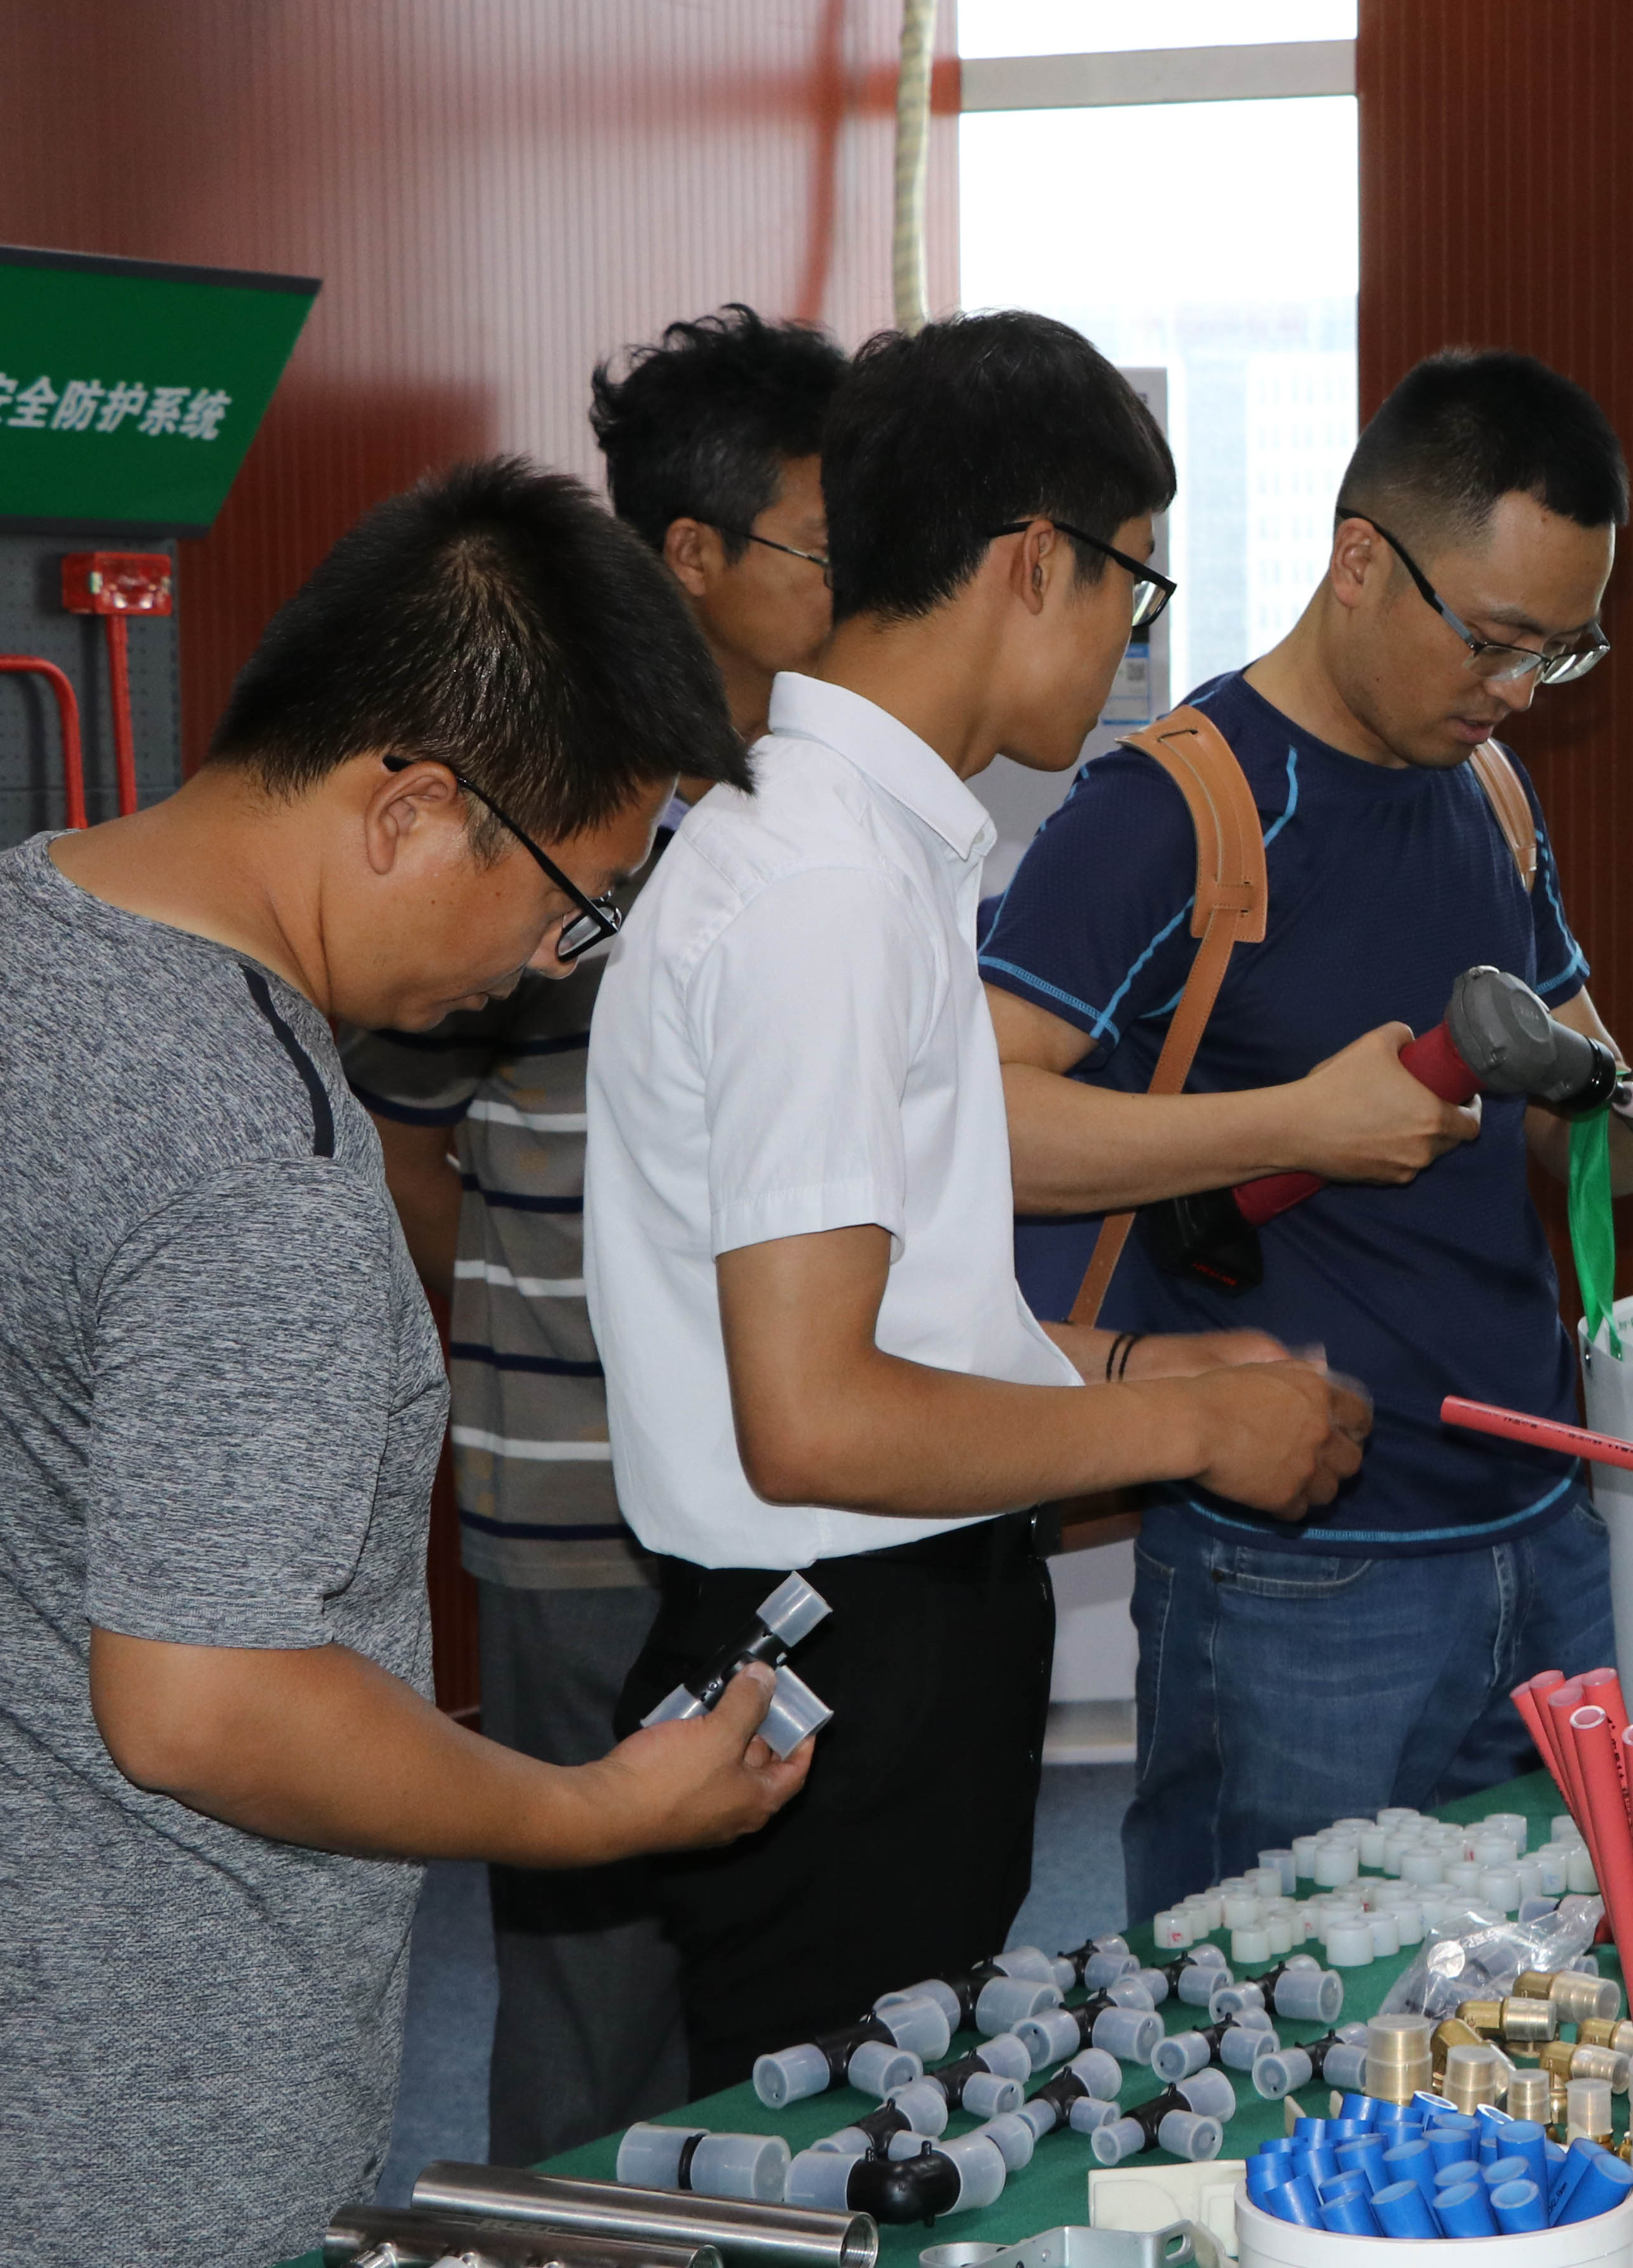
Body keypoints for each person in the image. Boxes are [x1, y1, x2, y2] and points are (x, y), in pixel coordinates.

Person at [0, 460, 810, 2268]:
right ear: (410, 809)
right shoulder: (258, 1155)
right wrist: (587, 1808)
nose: (548, 964)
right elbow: (210, 1705)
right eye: (575, 901)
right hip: (118, 2133)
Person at [583, 309, 1369, 2097]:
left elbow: (903, 1316)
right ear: (1033, 559)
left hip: (887, 1628)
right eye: (1132, 589)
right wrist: (1185, 1434)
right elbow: (813, 1417)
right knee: (845, 2159)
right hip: (845, 1651)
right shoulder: (820, 892)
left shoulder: (868, 852)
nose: (1126, 643)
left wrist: (1143, 1371)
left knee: (912, 2131)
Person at [978, 348, 1633, 1918]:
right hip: (1300, 1561)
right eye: (1493, 638)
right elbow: (968, 1126)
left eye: (1562, 649)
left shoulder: (1491, 793)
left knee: (1546, 1983)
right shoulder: (1172, 810)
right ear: (1359, 560)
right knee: (1270, 2002)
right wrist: (1298, 1124)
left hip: (1545, 1525)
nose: (1518, 689)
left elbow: (1578, 1128)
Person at [344, 306, 847, 2167]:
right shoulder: (547, 813)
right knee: (590, 1993)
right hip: (577, 1505)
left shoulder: (823, 802)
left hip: (793, 1485)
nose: (861, 574)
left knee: (778, 1977)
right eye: (824, 537)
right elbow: (392, 1135)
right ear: (690, 553)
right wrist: (549, 1311)